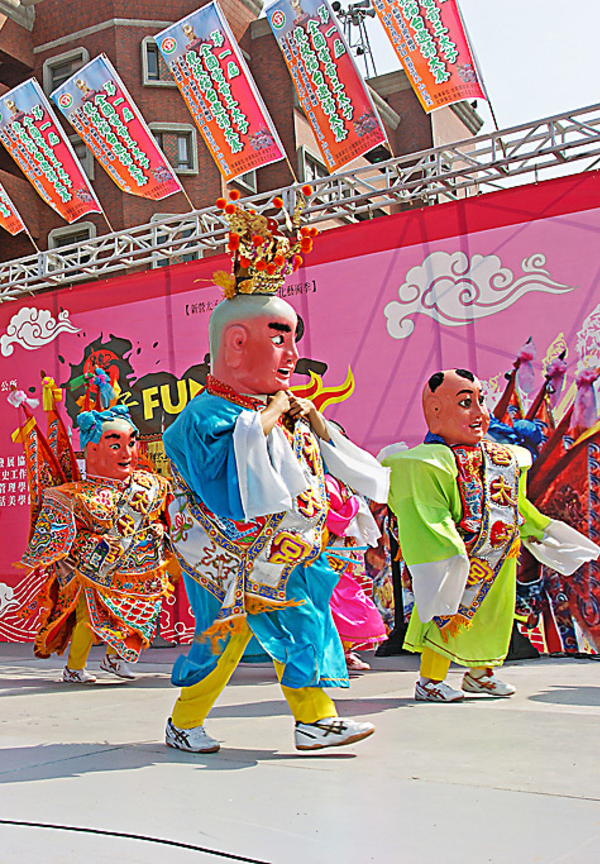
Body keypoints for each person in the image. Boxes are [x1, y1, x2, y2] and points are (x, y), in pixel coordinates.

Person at [162, 194, 388, 753]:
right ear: (237, 345)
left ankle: (315, 720)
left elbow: (321, 468)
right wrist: (269, 417)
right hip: (226, 558)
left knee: (303, 626)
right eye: (280, 338)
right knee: (226, 639)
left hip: (287, 554)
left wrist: (311, 422)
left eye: (293, 339)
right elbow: (229, 487)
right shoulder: (202, 417)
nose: (291, 354)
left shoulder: (281, 410)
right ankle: (185, 722)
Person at [383, 369, 600, 702]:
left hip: (500, 556)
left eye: (481, 401)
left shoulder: (502, 457)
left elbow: (515, 503)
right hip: (461, 556)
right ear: (436, 410)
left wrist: (540, 529)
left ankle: (480, 675)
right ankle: (430, 681)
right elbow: (426, 510)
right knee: (447, 617)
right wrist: (449, 549)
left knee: (495, 617)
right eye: (465, 403)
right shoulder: (426, 462)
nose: (479, 413)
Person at [17, 374, 173, 683]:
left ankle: (117, 658)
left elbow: (161, 518)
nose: (127, 453)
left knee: (138, 617)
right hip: (95, 571)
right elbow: (56, 540)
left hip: (138, 569)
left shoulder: (151, 485)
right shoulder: (71, 496)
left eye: (131, 443)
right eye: (115, 445)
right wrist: (93, 548)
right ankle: (75, 668)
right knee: (89, 620)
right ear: (92, 450)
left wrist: (157, 530)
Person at [324, 475, 388, 672]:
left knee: (345, 599)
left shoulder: (339, 482)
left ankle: (344, 652)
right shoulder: (323, 481)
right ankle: (334, 653)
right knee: (330, 602)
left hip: (343, 551)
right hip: (325, 551)